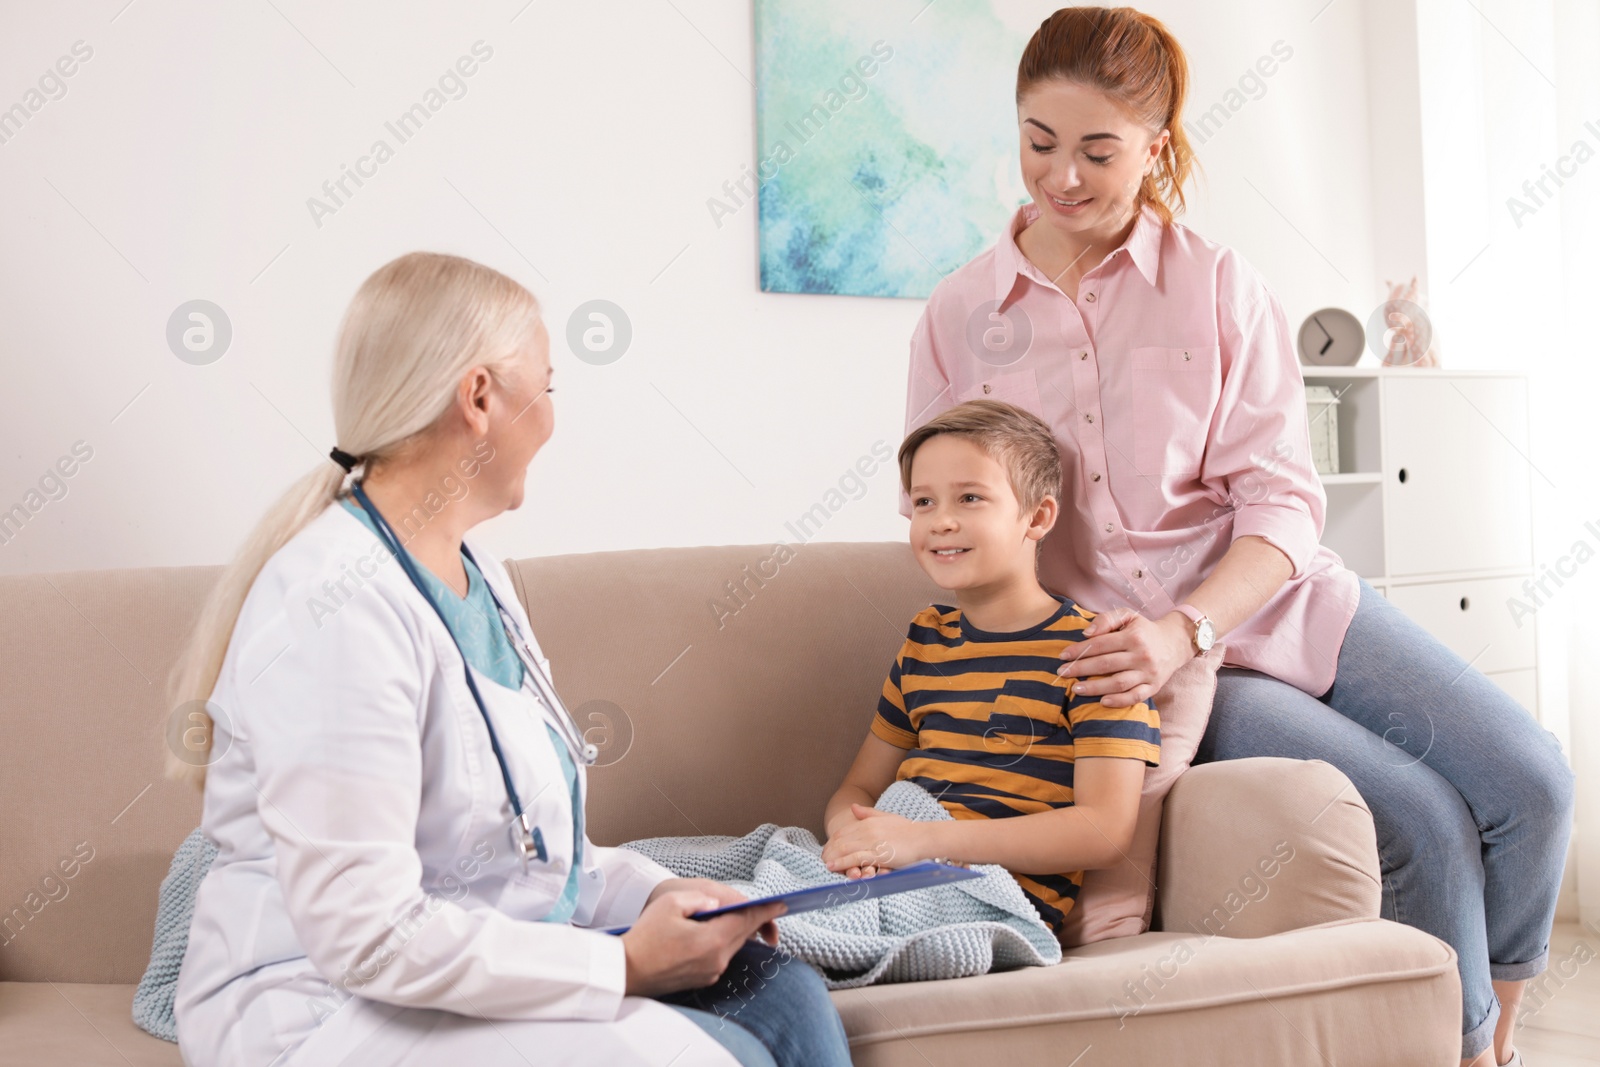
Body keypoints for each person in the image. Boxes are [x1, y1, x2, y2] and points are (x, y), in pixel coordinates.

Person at [899, 8, 1573, 1066]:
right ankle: (1464, 1052)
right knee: (1420, 821)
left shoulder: (1217, 287)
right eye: (1037, 141)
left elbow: (1281, 500)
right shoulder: (957, 313)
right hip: (1142, 664)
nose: (1060, 177)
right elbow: (946, 504)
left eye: (1096, 150)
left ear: (1154, 147)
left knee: (1532, 776)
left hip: (1267, 601)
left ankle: (1497, 1033)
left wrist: (1188, 624)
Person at [168, 252, 851, 1067]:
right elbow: (368, 934)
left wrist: (662, 896)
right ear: (481, 397)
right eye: (549, 386)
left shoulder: (477, 575)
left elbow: (527, 858)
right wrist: (626, 961)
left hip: (472, 964)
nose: (555, 416)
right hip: (326, 1007)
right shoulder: (334, 602)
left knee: (779, 990)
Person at [821, 399, 1159, 938]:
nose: (941, 521)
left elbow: (1104, 830)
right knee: (684, 882)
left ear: (1038, 517)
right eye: (924, 501)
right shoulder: (925, 640)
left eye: (970, 498)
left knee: (766, 928)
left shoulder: (1096, 655)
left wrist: (921, 842)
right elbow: (857, 789)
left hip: (993, 897)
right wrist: (853, 839)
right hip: (891, 864)